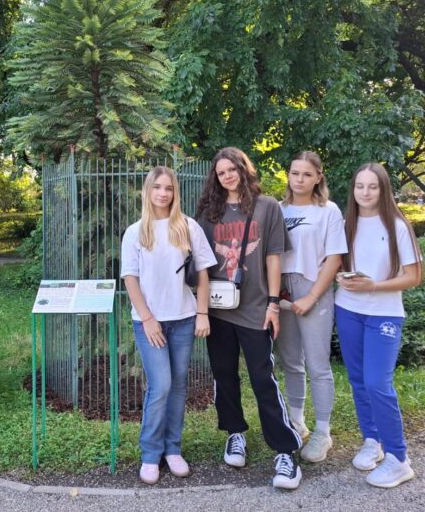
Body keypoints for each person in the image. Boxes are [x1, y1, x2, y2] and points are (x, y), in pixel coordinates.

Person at [195, 147, 303, 490]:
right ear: (215, 177)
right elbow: (200, 263)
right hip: (218, 309)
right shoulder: (208, 213)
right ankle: (235, 433)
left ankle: (285, 450)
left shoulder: (267, 206)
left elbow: (273, 258)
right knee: (223, 375)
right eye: (221, 172)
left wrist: (273, 304)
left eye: (232, 169)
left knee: (262, 379)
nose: (227, 176)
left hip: (256, 308)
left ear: (244, 170)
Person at [121, 166, 216, 485]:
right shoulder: (135, 232)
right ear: (147, 191)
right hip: (149, 322)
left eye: (169, 188)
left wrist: (202, 313)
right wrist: (148, 319)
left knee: (177, 386)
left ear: (175, 192)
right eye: (157, 187)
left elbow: (203, 273)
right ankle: (150, 453)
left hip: (184, 319)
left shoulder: (188, 227)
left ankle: (172, 449)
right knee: (160, 385)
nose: (163, 193)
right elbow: (130, 279)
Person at [335, 162, 423, 488]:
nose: (365, 192)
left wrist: (373, 286)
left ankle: (399, 458)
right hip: (347, 309)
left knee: (377, 383)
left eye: (372, 186)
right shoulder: (346, 224)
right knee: (359, 380)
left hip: (384, 314)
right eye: (360, 186)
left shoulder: (397, 225)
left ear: (383, 189)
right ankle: (372, 441)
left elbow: (414, 276)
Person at [278, 151, 347, 463]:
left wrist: (311, 296)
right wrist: (274, 295)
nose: (300, 179)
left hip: (313, 288)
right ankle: (297, 421)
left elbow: (334, 258)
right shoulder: (278, 209)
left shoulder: (328, 211)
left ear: (318, 177)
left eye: (307, 174)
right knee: (291, 361)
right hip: (283, 290)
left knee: (318, 365)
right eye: (295, 173)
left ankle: (322, 432)